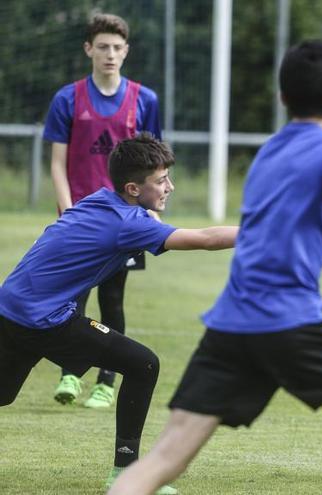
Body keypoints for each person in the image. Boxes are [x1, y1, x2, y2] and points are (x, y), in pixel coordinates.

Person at [106, 40, 322, 495]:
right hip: (291, 324)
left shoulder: (267, 156)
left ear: (283, 98)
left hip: (230, 325)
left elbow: (290, 249)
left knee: (165, 458)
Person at [0, 133, 238, 494]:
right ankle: (127, 473)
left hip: (9, 308)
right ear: (132, 187)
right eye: (160, 181)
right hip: (43, 320)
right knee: (144, 364)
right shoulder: (129, 224)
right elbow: (205, 239)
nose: (169, 186)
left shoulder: (101, 199)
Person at [43, 12, 163, 408]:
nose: (110, 54)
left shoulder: (144, 100)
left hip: (125, 222)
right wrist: (67, 210)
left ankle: (106, 383)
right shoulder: (68, 98)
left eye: (117, 47)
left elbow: (154, 165)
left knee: (113, 300)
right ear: (88, 49)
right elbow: (58, 163)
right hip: (80, 220)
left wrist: (151, 213)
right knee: (72, 300)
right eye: (103, 47)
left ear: (126, 51)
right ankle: (71, 375)